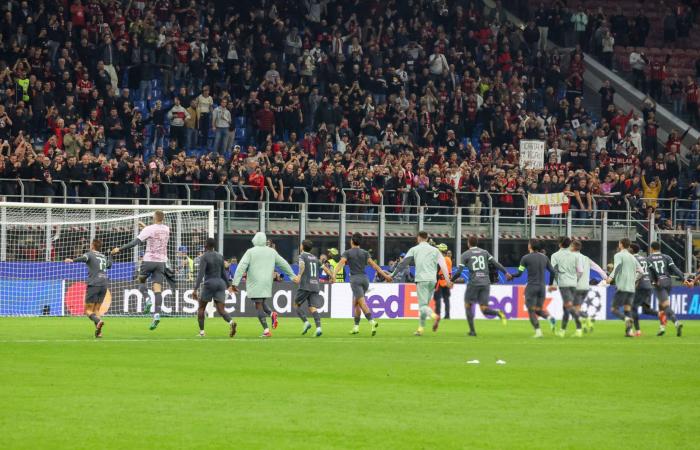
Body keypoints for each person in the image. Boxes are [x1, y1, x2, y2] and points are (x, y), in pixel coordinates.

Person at [112, 210, 170, 331]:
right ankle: (157, 314)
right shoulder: (166, 229)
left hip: (148, 261)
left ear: (154, 218)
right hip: (161, 263)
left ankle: (147, 298)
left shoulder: (149, 229)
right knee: (158, 289)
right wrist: (145, 227)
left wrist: (120, 249)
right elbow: (156, 234)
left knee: (141, 282)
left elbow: (135, 242)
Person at [231, 232, 295, 337]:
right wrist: (292, 275)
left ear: (255, 240)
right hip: (267, 282)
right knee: (262, 302)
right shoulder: (272, 252)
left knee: (258, 306)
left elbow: (241, 267)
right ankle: (272, 314)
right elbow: (283, 263)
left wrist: (234, 283)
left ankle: (266, 330)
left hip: (256, 281)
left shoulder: (250, 252)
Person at [391, 231, 452, 336]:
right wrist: (448, 280)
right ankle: (420, 329)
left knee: (422, 305)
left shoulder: (414, 249)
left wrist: (392, 274)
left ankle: (434, 316)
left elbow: (403, 263)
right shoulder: (435, 250)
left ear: (418, 238)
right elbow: (443, 266)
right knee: (425, 305)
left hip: (422, 280)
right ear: (428, 238)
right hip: (432, 281)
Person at [333, 233, 392, 336]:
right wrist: (385, 276)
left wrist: (334, 274)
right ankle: (356, 327)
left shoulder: (347, 253)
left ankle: (372, 321)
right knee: (356, 303)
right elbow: (375, 266)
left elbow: (340, 263)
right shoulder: (365, 253)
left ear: (351, 241)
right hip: (365, 279)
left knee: (362, 303)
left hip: (355, 280)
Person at [452, 236, 512, 337]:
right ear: (477, 243)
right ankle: (498, 313)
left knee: (468, 305)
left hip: (474, 283)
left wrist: (451, 280)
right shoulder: (484, 252)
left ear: (468, 243)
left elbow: (459, 272)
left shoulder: (465, 254)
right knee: (484, 309)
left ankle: (472, 331)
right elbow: (496, 263)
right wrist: (506, 272)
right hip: (485, 283)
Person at [65, 238, 111, 338]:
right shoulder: (103, 256)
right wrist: (110, 256)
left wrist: (72, 260)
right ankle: (99, 332)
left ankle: (98, 321)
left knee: (88, 310)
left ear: (92, 245)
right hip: (104, 284)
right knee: (97, 309)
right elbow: (109, 266)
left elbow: (83, 258)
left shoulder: (90, 254)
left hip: (94, 283)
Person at [192, 238, 237, 338]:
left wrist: (195, 289)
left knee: (201, 308)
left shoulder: (204, 256)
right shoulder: (220, 256)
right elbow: (223, 273)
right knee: (221, 310)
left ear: (206, 245)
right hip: (220, 284)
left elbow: (201, 274)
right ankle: (231, 322)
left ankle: (202, 332)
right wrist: (230, 286)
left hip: (209, 283)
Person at [512, 239, 557, 338]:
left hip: (531, 287)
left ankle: (538, 332)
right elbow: (553, 272)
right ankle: (550, 318)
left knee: (531, 310)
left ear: (530, 246)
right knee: (538, 310)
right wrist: (550, 284)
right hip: (542, 287)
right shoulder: (544, 258)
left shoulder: (525, 258)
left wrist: (511, 276)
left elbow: (519, 273)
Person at [292, 239, 334, 337]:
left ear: (302, 247)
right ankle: (319, 328)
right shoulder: (315, 258)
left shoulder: (302, 256)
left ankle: (306, 322)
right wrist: (332, 277)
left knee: (296, 305)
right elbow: (324, 268)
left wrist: (298, 276)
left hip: (305, 285)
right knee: (312, 308)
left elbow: (302, 265)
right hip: (315, 285)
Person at [647, 241, 685, 337]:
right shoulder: (667, 257)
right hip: (668, 282)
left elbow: (650, 273)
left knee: (665, 306)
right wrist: (683, 278)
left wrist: (653, 281)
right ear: (659, 248)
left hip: (659, 283)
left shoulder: (648, 259)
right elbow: (675, 269)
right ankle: (662, 328)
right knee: (661, 305)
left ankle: (677, 323)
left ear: (651, 248)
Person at [606, 238, 643, 337]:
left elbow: (617, 267)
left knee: (614, 309)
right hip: (631, 288)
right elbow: (641, 271)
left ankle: (626, 319)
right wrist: (633, 280)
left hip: (622, 286)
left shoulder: (618, 255)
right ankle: (629, 332)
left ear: (621, 244)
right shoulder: (632, 257)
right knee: (627, 309)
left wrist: (610, 278)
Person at [569, 240, 608, 333]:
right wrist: (606, 278)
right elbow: (598, 268)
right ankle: (584, 323)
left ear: (573, 247)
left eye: (570, 246)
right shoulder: (586, 258)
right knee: (577, 308)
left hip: (576, 287)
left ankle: (585, 322)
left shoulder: (571, 257)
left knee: (574, 309)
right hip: (586, 287)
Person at [550, 237, 584, 338]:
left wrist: (554, 284)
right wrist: (575, 279)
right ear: (569, 244)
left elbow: (554, 271)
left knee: (568, 306)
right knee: (566, 307)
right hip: (573, 283)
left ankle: (580, 326)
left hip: (563, 283)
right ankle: (562, 330)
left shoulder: (555, 255)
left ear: (560, 244)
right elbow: (580, 271)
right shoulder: (575, 256)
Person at [630, 243, 663, 336]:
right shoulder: (644, 258)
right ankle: (660, 314)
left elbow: (635, 273)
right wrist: (656, 280)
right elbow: (653, 269)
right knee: (645, 310)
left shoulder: (632, 259)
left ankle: (638, 331)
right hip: (648, 285)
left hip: (639, 286)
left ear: (631, 250)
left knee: (633, 307)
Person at [433, 243, 452, 319]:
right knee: (446, 299)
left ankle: (438, 314)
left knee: (437, 298)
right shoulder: (449, 259)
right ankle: (447, 315)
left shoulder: (441, 259)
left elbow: (437, 270)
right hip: (447, 281)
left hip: (440, 281)